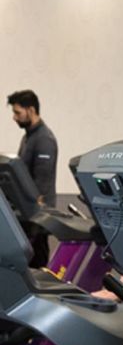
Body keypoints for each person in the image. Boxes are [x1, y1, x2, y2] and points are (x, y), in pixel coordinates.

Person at [7, 89, 58, 268]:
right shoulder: (28, 137)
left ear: (31, 110)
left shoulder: (44, 139)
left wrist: (35, 217)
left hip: (38, 219)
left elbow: (40, 188)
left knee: (38, 268)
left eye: (17, 112)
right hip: (27, 216)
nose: (14, 117)